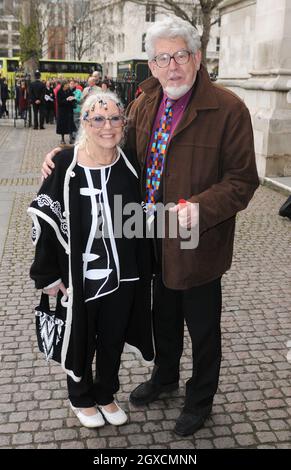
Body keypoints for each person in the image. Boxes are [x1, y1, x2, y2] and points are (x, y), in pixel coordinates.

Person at [41, 17, 259, 437]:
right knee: (163, 316)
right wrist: (69, 153)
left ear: (196, 58)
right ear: (152, 64)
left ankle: (200, 399)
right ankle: (165, 377)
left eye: (180, 55)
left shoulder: (228, 108)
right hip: (147, 232)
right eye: (162, 58)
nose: (172, 66)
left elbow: (242, 180)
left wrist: (200, 208)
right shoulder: (146, 101)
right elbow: (113, 145)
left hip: (198, 238)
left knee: (202, 325)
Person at [28, 91, 154, 429]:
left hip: (123, 274)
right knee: (81, 337)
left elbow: (140, 215)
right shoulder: (65, 165)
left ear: (123, 124)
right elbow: (45, 220)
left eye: (114, 118)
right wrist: (48, 274)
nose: (107, 126)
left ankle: (105, 393)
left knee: (112, 337)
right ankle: (80, 396)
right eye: (98, 119)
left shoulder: (129, 162)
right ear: (84, 122)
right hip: (79, 275)